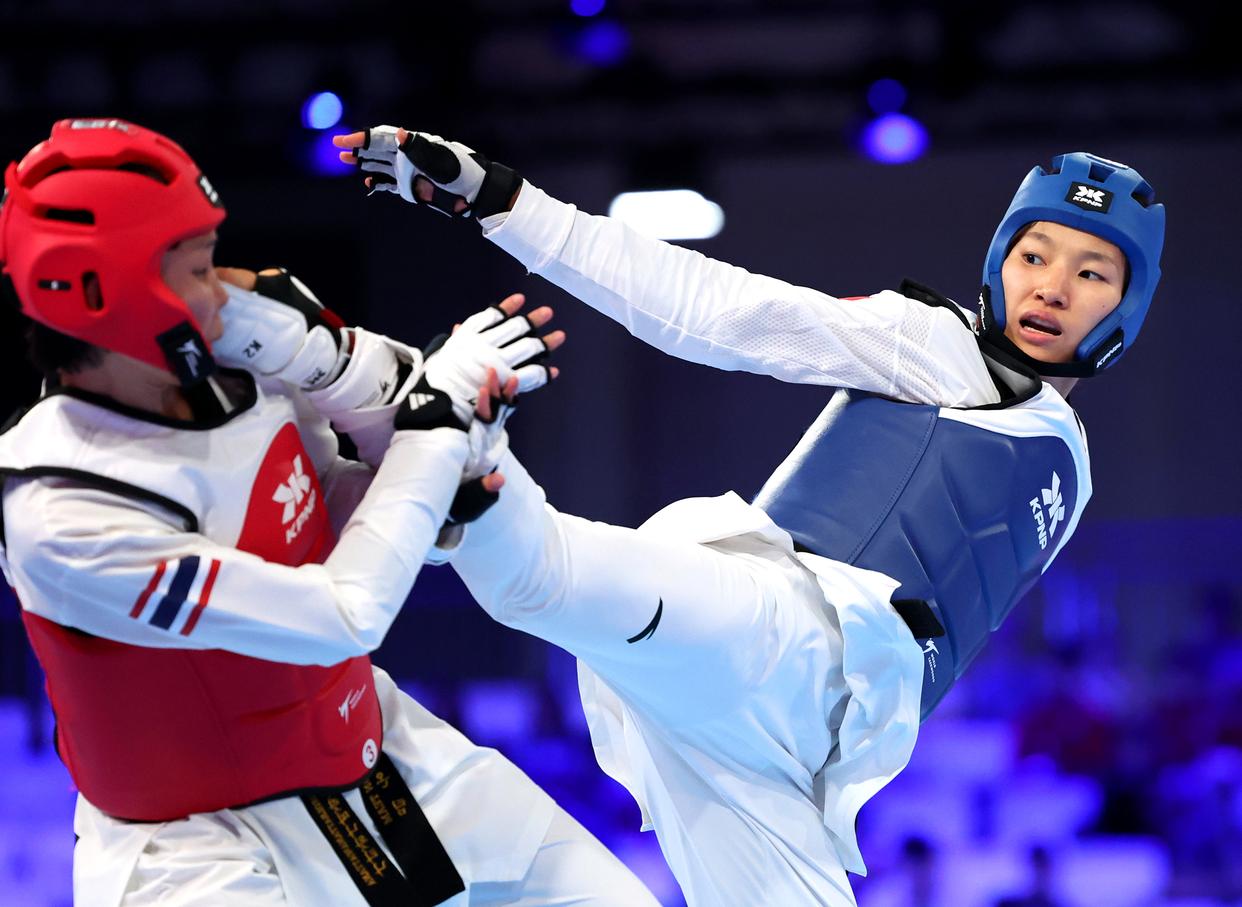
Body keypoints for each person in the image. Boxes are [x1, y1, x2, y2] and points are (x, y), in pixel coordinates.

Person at [334, 127, 1164, 905]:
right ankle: (444, 443)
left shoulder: (1073, 465)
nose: (1051, 286)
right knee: (543, 580)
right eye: (1032, 254)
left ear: (1128, 306)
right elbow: (716, 308)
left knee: (545, 590)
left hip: (792, 759)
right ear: (998, 262)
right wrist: (507, 203)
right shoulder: (937, 342)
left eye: (1092, 272)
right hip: (777, 632)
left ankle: (450, 476)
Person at [0, 119, 657, 907]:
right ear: (107, 295)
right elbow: (343, 612)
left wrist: (416, 448)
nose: (226, 287)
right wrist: (433, 432)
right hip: (200, 855)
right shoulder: (62, 511)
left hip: (373, 760)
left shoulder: (238, 363)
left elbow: (344, 507)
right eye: (199, 269)